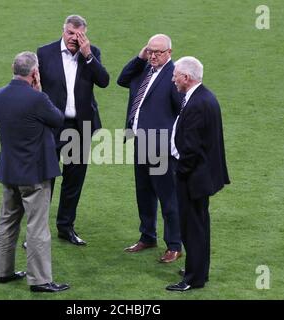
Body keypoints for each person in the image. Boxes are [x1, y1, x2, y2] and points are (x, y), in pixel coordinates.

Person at [0, 51, 69, 293]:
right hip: (34, 174)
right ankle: (40, 280)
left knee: (7, 222)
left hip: (9, 170)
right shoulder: (37, 99)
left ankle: (3, 272)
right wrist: (40, 92)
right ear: (35, 72)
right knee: (37, 226)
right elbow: (58, 119)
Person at [36, 14, 110, 246]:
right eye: (70, 33)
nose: (74, 39)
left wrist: (88, 55)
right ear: (63, 30)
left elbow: (104, 81)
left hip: (80, 128)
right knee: (46, 179)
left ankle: (65, 226)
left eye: (79, 35)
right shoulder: (44, 53)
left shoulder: (91, 53)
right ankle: (38, 231)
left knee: (73, 180)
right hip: (51, 126)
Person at [117, 34, 184, 263]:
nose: (153, 56)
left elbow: (182, 112)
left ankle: (174, 245)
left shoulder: (174, 76)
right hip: (141, 143)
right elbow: (121, 79)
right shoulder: (144, 69)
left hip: (161, 148)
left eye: (158, 52)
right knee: (143, 193)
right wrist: (140, 56)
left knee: (167, 197)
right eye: (151, 51)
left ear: (169, 53)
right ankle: (148, 236)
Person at [167, 56, 230, 291]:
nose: (173, 80)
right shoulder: (205, 97)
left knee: (192, 227)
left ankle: (193, 279)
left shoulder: (196, 104)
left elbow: (191, 149)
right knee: (199, 225)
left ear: (186, 77)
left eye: (175, 76)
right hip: (202, 175)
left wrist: (180, 171)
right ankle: (198, 268)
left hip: (193, 177)